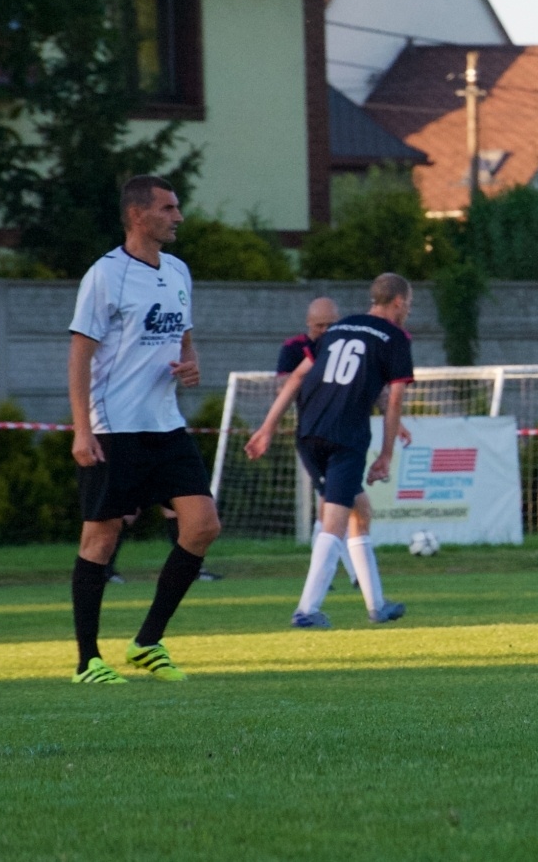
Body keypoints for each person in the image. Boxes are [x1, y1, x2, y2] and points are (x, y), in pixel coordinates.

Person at [67, 175, 222, 684]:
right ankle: (88, 660)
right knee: (101, 539)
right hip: (115, 426)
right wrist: (82, 430)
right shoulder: (106, 275)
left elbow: (184, 338)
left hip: (165, 424)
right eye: (168, 208)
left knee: (202, 526)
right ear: (138, 215)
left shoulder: (178, 270)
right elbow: (79, 355)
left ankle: (147, 641)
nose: (178, 217)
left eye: (177, 208)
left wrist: (190, 363)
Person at [246, 273, 416, 625]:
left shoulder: (341, 327)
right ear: (398, 302)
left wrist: (267, 428)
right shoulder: (396, 337)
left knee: (360, 511)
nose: (408, 312)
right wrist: (386, 454)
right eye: (409, 305)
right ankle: (306, 610)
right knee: (334, 521)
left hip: (309, 432)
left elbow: (296, 377)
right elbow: (395, 398)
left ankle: (377, 605)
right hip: (345, 438)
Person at [276, 297, 357, 586]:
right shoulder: (295, 349)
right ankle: (349, 572)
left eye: (330, 325)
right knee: (334, 500)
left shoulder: (350, 347)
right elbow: (284, 386)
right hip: (313, 435)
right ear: (309, 324)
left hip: (346, 434)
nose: (325, 330)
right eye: (319, 325)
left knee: (342, 501)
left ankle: (336, 571)